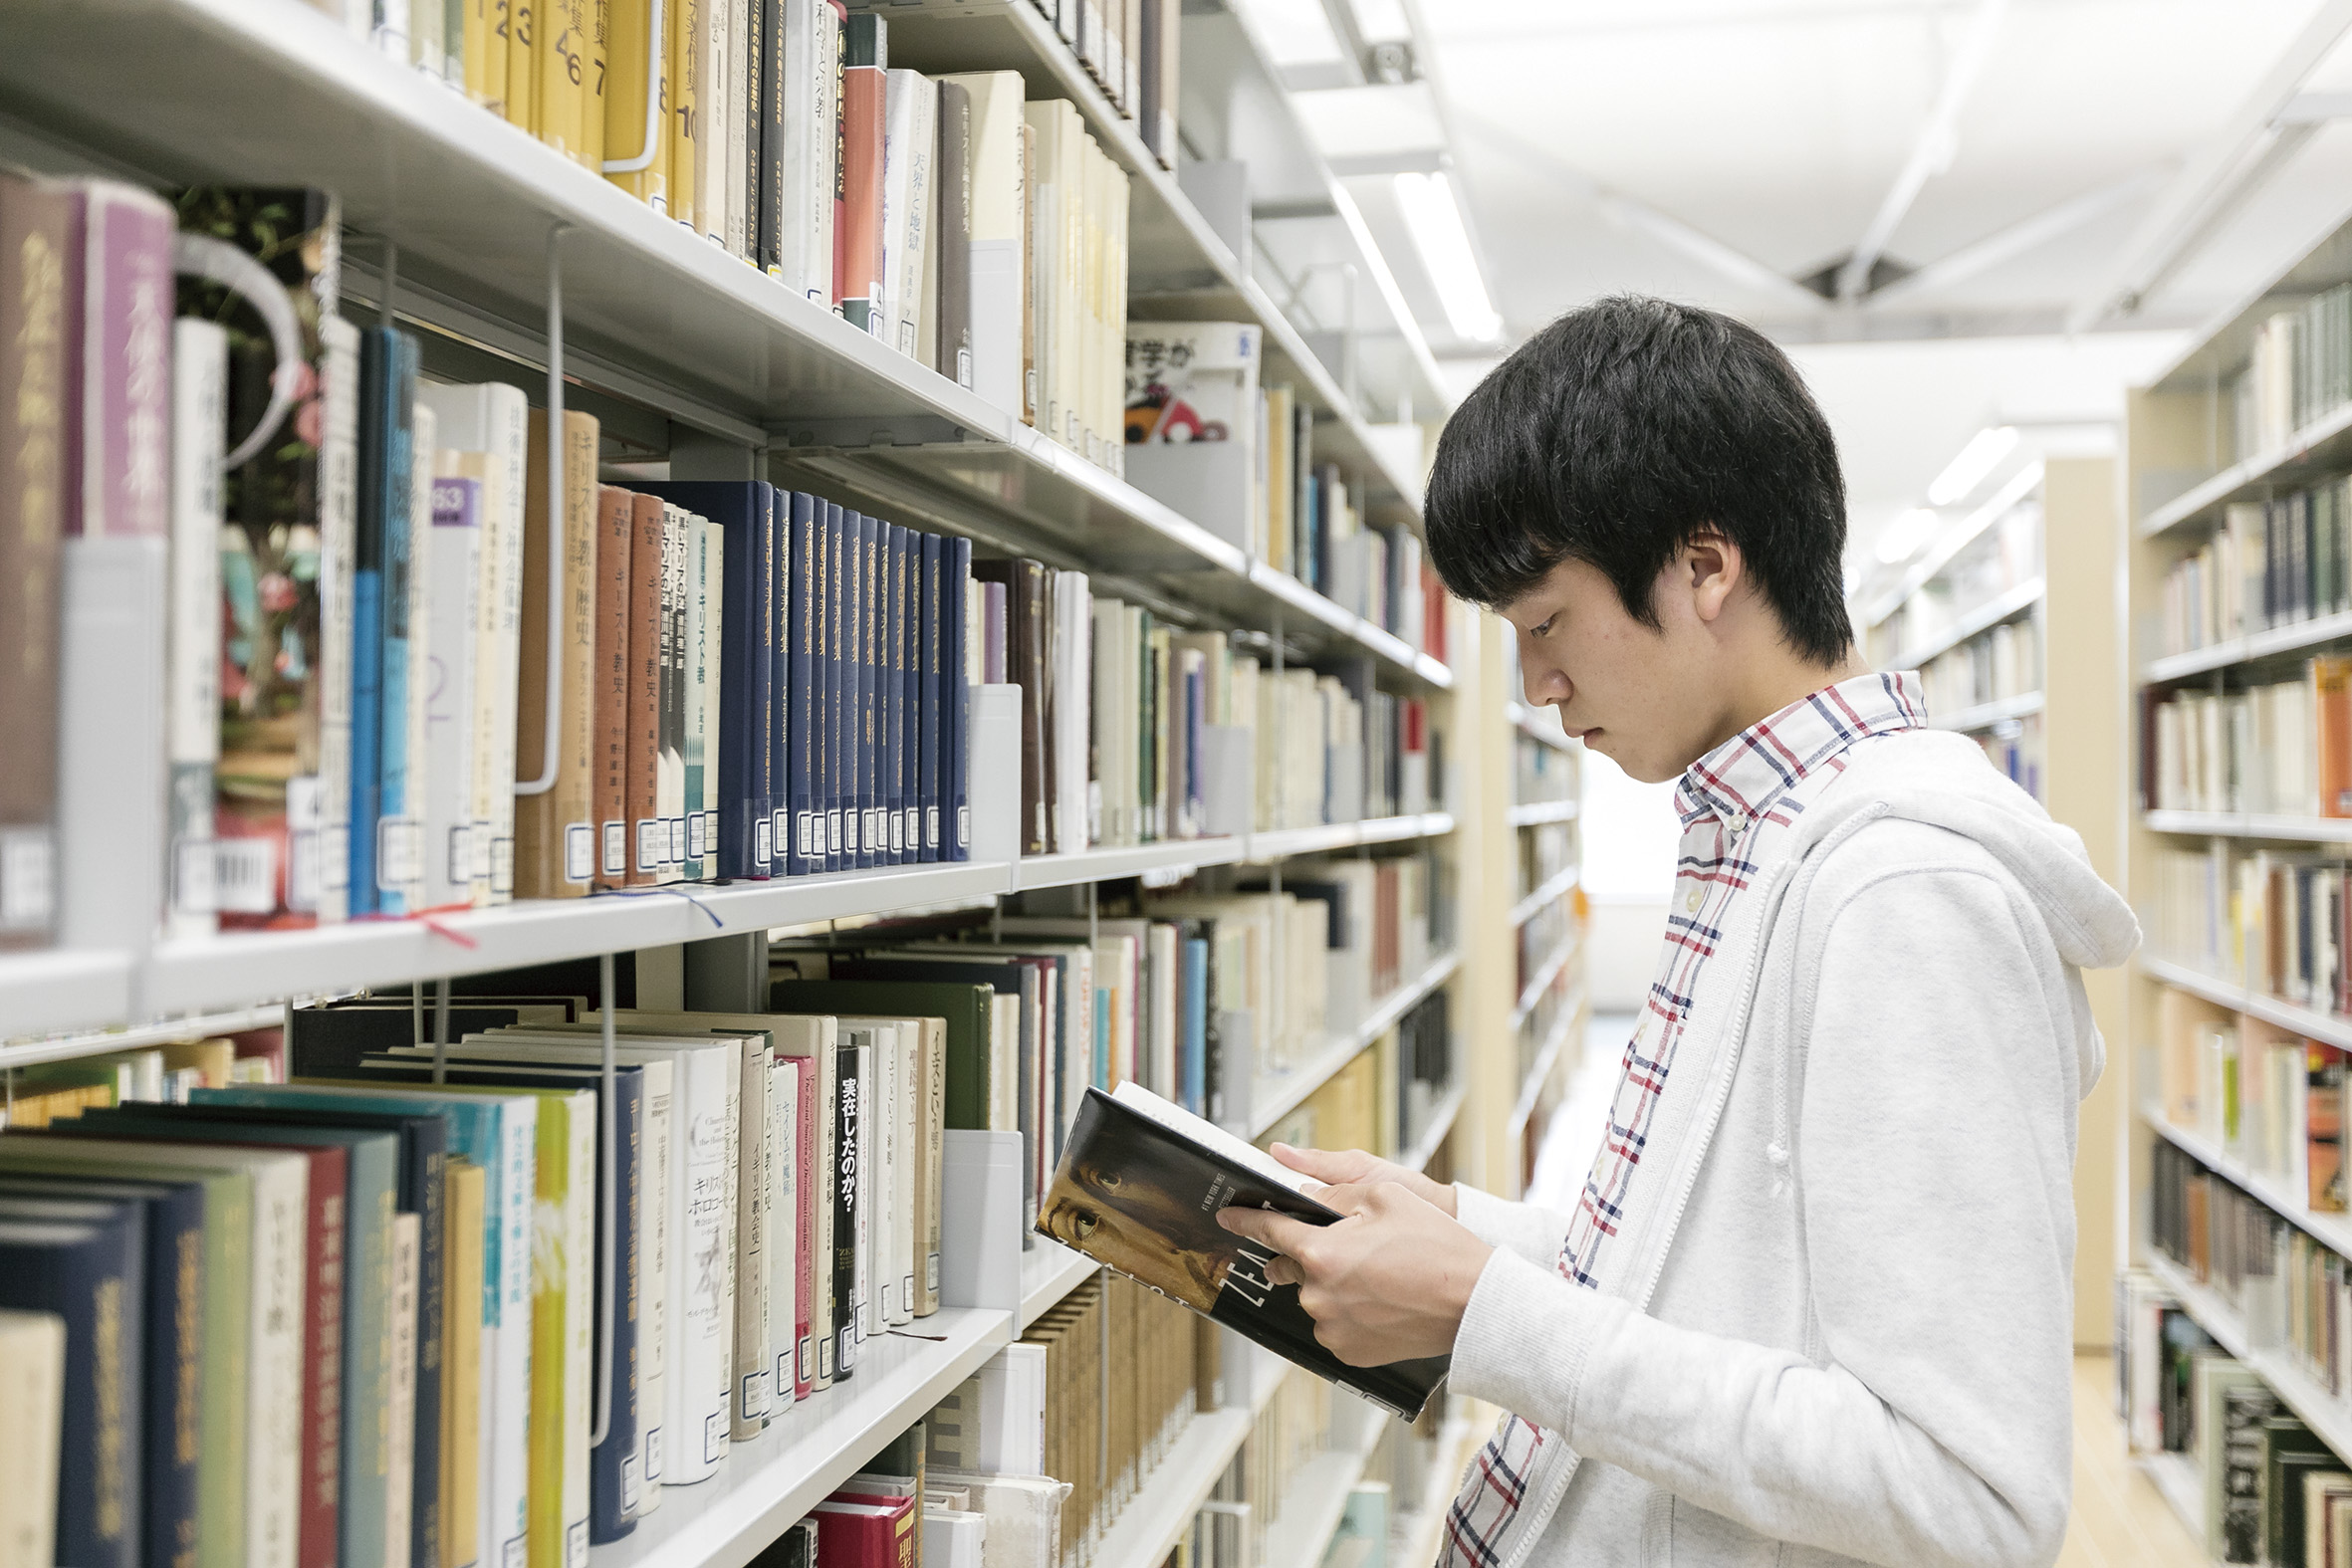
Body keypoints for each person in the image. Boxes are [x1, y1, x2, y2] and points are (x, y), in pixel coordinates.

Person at [1216, 295, 2138, 1568]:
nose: (1535, 686)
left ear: (1705, 568)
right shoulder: (1751, 836)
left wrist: (1486, 1317)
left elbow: (1964, 1494)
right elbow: (1730, 1285)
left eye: (1545, 622)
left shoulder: (1904, 896)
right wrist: (1456, 1233)